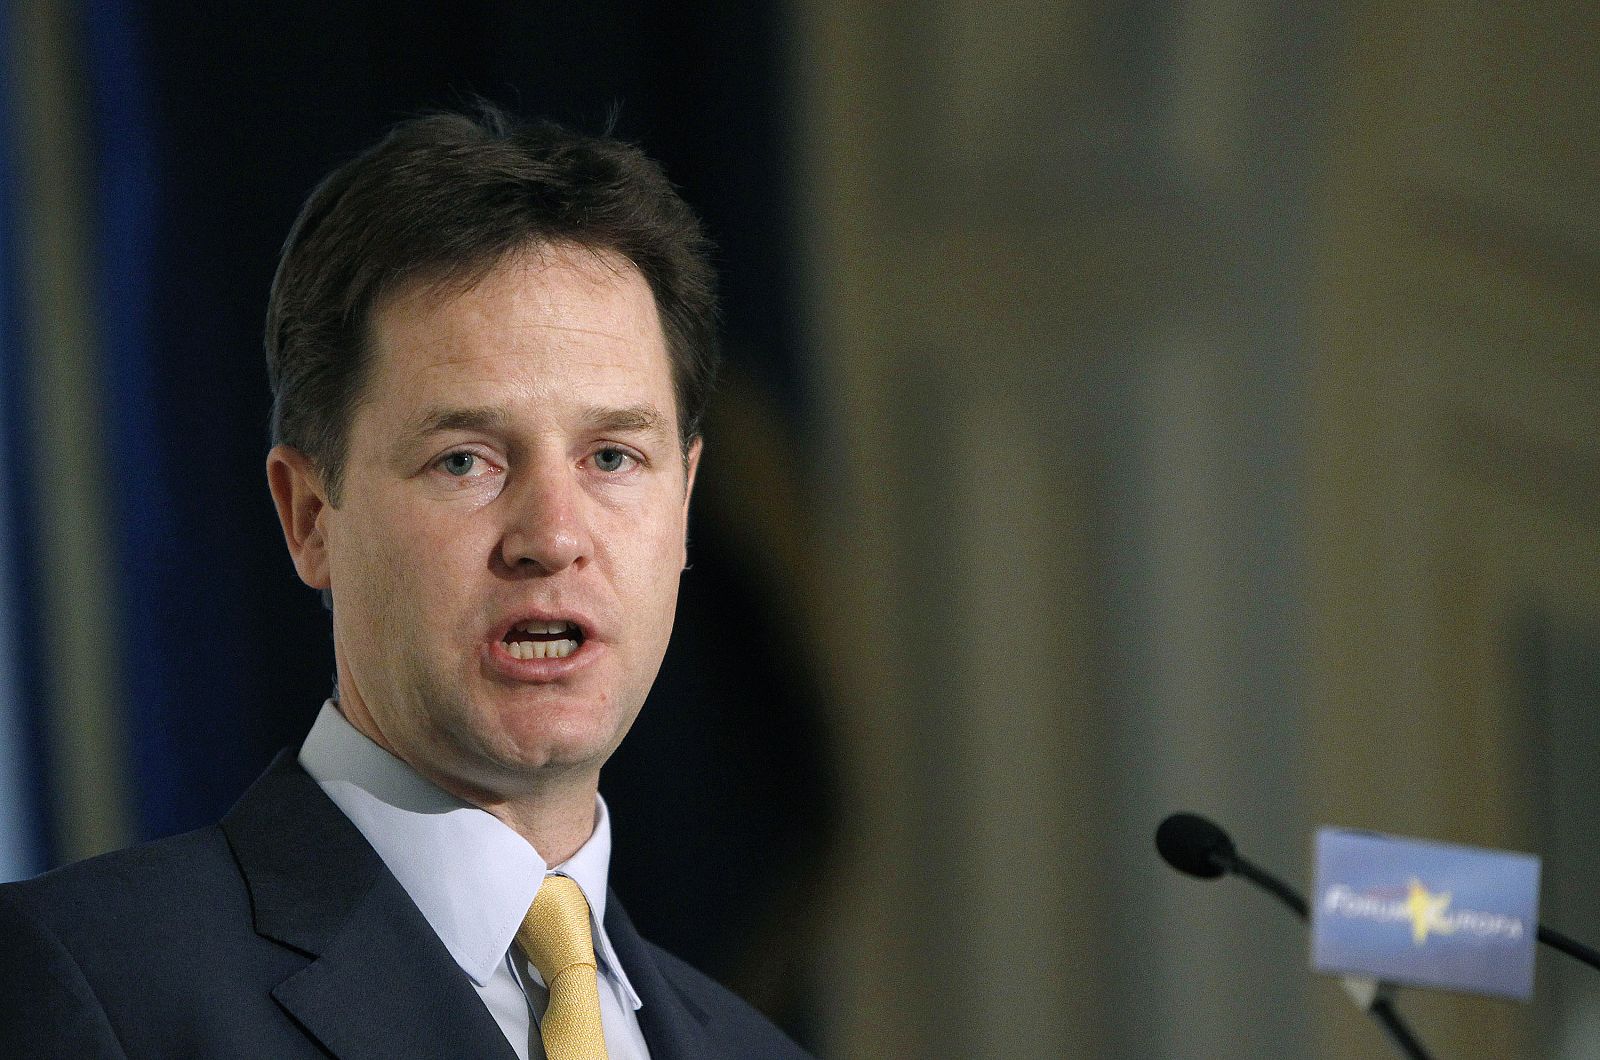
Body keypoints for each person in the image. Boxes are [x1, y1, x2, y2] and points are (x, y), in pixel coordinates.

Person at [0, 106, 813, 1060]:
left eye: (613, 457)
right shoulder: (90, 984)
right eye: (466, 461)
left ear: (683, 505)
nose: (552, 537)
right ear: (309, 517)